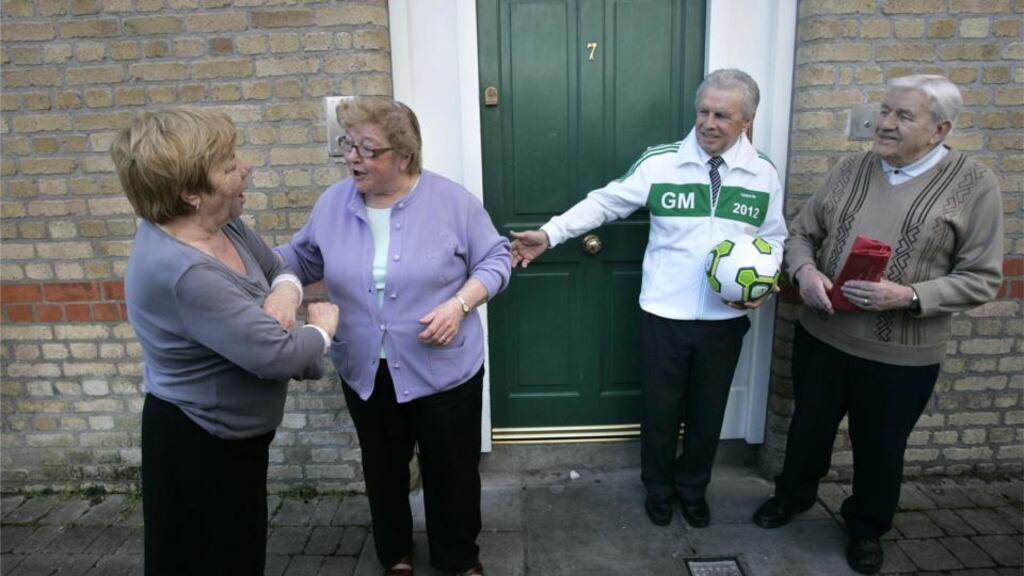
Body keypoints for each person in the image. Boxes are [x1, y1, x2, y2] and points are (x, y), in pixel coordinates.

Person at [511, 69, 787, 528]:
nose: (708, 123)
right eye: (703, 111)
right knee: (660, 409)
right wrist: (549, 233)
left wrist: (766, 282)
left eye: (722, 115)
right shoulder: (661, 162)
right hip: (665, 314)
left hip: (725, 319)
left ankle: (693, 488)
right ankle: (658, 488)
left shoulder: (763, 173)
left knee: (707, 411)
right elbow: (605, 202)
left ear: (748, 121)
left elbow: (774, 237)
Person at [752, 75, 1004, 575]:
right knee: (808, 429)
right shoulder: (851, 168)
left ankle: (866, 529)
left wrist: (909, 295)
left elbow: (982, 278)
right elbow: (803, 230)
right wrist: (803, 271)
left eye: (903, 116)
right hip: (823, 336)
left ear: (940, 129)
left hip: (900, 357)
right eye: (885, 111)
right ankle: (793, 497)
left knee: (880, 448)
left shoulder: (975, 186)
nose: (884, 123)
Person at [276, 98, 511, 576]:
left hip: (445, 369)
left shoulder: (452, 202)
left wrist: (459, 304)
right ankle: (396, 555)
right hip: (367, 369)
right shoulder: (333, 204)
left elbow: (496, 260)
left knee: (453, 473)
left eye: (368, 148)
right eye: (349, 144)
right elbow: (299, 258)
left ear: (404, 156)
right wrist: (252, 271)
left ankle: (458, 558)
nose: (353, 157)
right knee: (383, 472)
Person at [112, 107, 339, 575]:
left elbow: (280, 267)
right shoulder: (185, 271)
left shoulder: (223, 224)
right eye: (229, 164)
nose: (245, 168)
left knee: (238, 549)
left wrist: (283, 295)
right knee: (209, 560)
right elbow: (277, 356)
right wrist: (321, 327)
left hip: (233, 438)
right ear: (190, 193)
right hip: (200, 444)